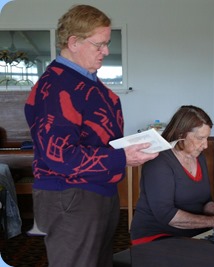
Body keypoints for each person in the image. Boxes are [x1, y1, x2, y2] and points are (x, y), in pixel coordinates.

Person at [24, 5, 157, 267]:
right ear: (73, 42)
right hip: (70, 193)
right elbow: (59, 155)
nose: (106, 52)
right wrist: (122, 158)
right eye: (100, 45)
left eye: (107, 44)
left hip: (94, 189)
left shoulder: (83, 80)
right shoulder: (58, 86)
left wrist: (128, 151)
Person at [130, 105, 214, 245]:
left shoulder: (198, 156)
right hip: (156, 235)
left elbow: (205, 202)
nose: (205, 145)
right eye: (200, 138)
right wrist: (213, 221)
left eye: (207, 138)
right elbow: (166, 215)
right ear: (181, 135)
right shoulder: (159, 161)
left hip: (191, 233)